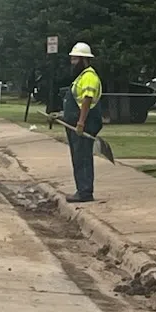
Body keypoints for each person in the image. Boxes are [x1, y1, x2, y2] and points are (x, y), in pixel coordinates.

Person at [64, 42, 103, 203]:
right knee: (78, 157)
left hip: (86, 122)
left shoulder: (89, 76)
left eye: (75, 59)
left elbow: (87, 100)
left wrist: (81, 122)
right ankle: (81, 189)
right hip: (77, 122)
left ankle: (85, 192)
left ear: (84, 59)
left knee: (83, 157)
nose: (72, 62)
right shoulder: (81, 76)